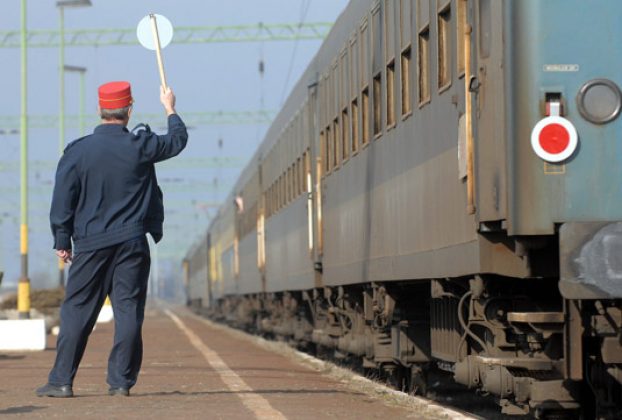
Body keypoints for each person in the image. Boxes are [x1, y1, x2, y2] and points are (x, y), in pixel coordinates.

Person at [36, 81, 188, 398]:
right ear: (129, 110)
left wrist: (62, 239)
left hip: (90, 245)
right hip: (132, 243)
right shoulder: (140, 146)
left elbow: (62, 199)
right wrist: (170, 107)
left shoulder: (78, 152)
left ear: (99, 109)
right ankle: (120, 383)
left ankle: (61, 381)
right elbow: (177, 141)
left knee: (77, 311)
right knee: (128, 311)